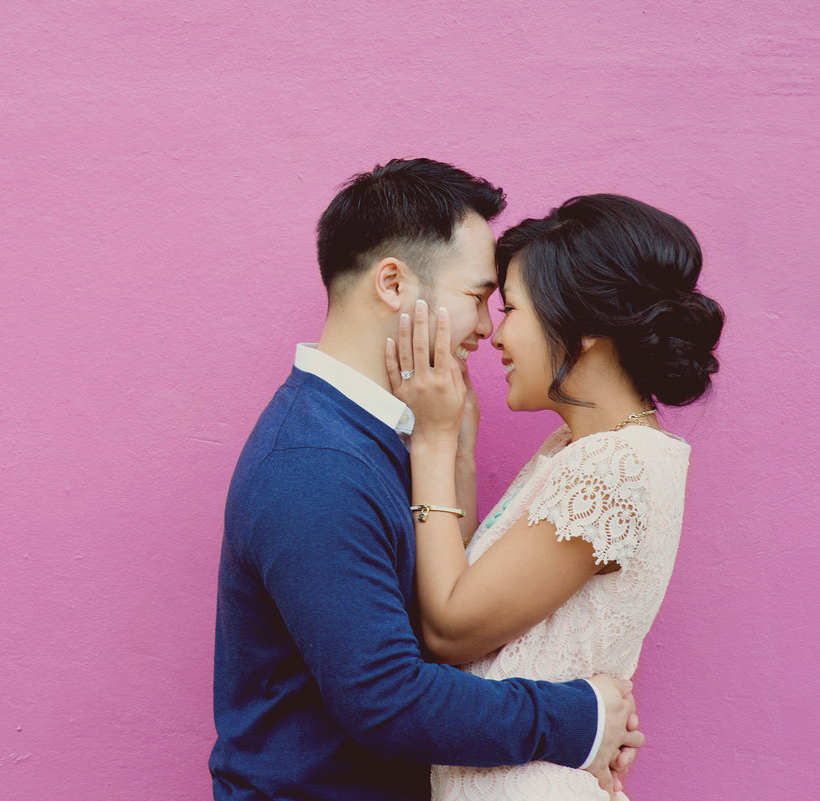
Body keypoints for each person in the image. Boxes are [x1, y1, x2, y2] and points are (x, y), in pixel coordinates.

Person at [210, 160, 642, 801]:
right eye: (475, 296)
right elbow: (387, 700)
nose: (484, 327)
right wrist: (581, 718)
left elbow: (435, 610)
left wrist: (453, 446)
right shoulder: (313, 463)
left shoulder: (368, 435)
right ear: (393, 283)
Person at [385, 194, 723, 800]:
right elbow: (464, 592)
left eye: (512, 308)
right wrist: (461, 448)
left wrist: (432, 443)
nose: (495, 334)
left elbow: (449, 631)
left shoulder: (615, 468)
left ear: (587, 326)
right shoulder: (580, 450)